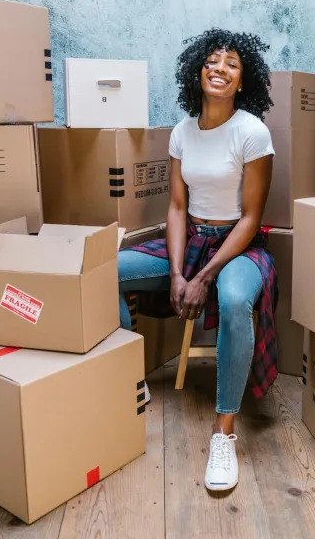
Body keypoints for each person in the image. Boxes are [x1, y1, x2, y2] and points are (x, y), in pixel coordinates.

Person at [117, 28, 279, 491]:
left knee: (232, 300)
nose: (220, 69)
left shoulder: (252, 131)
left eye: (232, 64)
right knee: (103, 272)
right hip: (192, 241)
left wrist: (203, 276)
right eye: (213, 60)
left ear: (244, 80)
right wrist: (176, 273)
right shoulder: (182, 132)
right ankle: (127, 379)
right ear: (198, 70)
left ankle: (223, 433)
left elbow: (251, 218)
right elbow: (176, 208)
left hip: (239, 247)